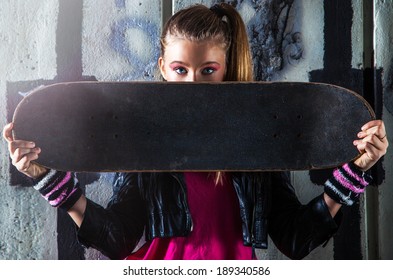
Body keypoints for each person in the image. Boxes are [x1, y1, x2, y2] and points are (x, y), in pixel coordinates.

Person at [2, 3, 389, 260]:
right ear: (163, 68)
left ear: (226, 67)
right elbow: (117, 239)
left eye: (207, 70)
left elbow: (295, 239)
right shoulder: (144, 143)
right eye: (180, 69)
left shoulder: (258, 141)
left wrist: (354, 173)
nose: (191, 83)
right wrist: (48, 180)